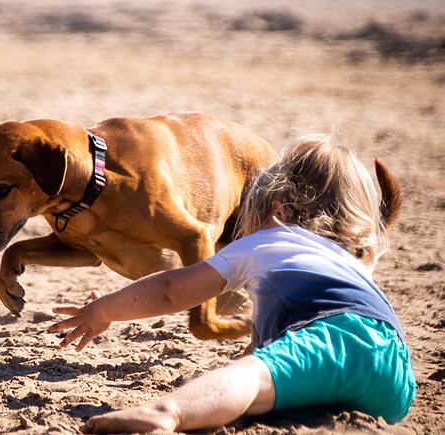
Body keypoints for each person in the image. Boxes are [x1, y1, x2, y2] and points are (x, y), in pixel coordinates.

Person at [48, 134, 416, 433]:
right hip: (395, 378)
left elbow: (170, 290)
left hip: (332, 339)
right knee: (273, 374)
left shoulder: (265, 242)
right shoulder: (349, 261)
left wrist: (104, 309)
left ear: (279, 206)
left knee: (251, 376)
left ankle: (165, 414)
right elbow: (286, 342)